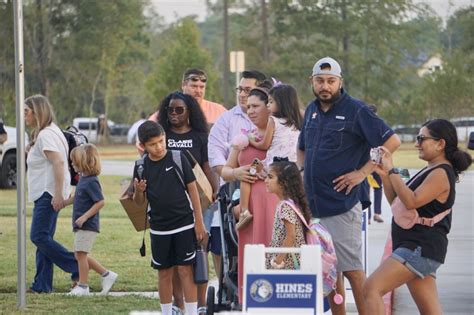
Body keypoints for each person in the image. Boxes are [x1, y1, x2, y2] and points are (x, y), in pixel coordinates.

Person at [297, 57, 401, 315]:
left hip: (342, 205)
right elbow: (301, 148)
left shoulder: (357, 110)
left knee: (352, 270)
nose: (325, 86)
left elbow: (392, 141)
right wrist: (301, 171)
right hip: (314, 205)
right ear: (312, 81)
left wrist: (362, 172)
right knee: (330, 274)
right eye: (320, 81)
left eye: (331, 81)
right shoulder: (310, 110)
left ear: (340, 82)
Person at [363, 119, 472, 314]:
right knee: (430, 311)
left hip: (418, 248)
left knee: (371, 289)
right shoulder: (430, 169)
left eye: (421, 138)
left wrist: (392, 170)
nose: (416, 144)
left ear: (440, 144)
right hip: (420, 248)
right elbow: (398, 203)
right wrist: (386, 176)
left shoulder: (441, 173)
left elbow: (412, 201)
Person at [133, 121, 206, 315]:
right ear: (143, 146)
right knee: (164, 272)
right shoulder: (140, 166)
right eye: (153, 144)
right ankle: (166, 311)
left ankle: (190, 311)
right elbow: (139, 202)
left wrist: (199, 222)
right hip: (158, 228)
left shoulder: (178, 157)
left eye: (161, 141)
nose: (159, 147)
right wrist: (139, 192)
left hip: (184, 224)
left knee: (185, 270)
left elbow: (193, 191)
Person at [157, 91, 218, 315]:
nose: (174, 114)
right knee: (173, 260)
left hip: (200, 203)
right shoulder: (161, 136)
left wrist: (215, 189)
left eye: (179, 110)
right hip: (171, 205)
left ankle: (201, 304)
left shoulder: (200, 136)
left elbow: (207, 165)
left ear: (189, 111)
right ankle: (178, 304)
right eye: (170, 110)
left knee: (199, 253)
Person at [220, 85, 279, 303]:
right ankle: (251, 300)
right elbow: (225, 171)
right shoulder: (243, 138)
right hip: (249, 208)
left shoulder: (280, 135)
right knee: (252, 252)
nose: (250, 111)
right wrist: (237, 172)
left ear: (269, 107)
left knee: (274, 251)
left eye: (256, 106)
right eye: (248, 107)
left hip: (274, 203)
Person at [24, 94, 79, 293]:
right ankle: (42, 285)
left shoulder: (46, 134)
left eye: (26, 111)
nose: (24, 116)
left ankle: (78, 266)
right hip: (48, 191)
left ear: (37, 112)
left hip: (48, 193)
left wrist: (57, 194)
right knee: (44, 239)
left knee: (38, 236)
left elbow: (58, 162)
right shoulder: (51, 131)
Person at [236, 84, 303, 229]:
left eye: (271, 102)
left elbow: (264, 145)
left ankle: (244, 211)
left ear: (281, 103)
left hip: (273, 164)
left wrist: (251, 140)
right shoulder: (298, 123)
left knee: (248, 172)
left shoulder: (274, 121)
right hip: (291, 166)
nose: (268, 106)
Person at [64, 144, 118, 296]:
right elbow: (77, 197)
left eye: (74, 162)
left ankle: (83, 286)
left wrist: (85, 216)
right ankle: (107, 275)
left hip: (88, 225)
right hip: (81, 225)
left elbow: (100, 202)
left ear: (84, 161)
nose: (72, 165)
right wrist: (63, 203)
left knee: (80, 254)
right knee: (80, 254)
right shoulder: (83, 179)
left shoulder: (92, 181)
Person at [265, 158, 309, 270]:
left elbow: (291, 235)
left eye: (270, 177)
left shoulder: (285, 206)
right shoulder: (290, 204)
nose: (266, 180)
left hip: (287, 266)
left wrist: (278, 261)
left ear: (283, 183)